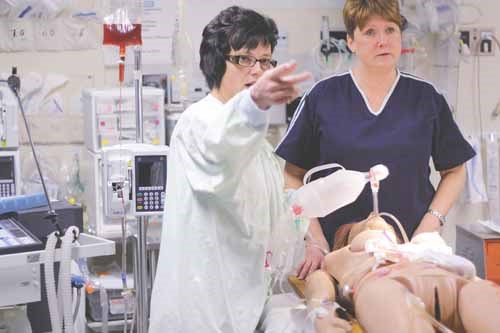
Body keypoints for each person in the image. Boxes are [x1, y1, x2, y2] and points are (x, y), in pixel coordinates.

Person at [274, 0, 475, 279]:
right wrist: (316, 241)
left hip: (411, 251)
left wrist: (430, 226)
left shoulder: (426, 99)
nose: (383, 41)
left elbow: (455, 170)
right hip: (340, 254)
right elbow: (292, 177)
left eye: (390, 30)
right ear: (351, 41)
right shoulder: (323, 98)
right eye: (370, 32)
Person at [148, 6, 311, 333]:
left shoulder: (260, 147)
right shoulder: (198, 123)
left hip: (242, 308)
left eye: (265, 60)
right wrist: (254, 104)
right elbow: (221, 153)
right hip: (201, 314)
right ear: (216, 61)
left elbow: (274, 217)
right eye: (244, 59)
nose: (257, 70)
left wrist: (313, 224)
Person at [300, 213, 500, 333]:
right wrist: (321, 310)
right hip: (382, 284)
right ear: (348, 239)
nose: (373, 215)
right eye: (362, 223)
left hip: (453, 285)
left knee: (477, 293)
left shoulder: (415, 249)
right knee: (388, 298)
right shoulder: (343, 257)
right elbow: (317, 280)